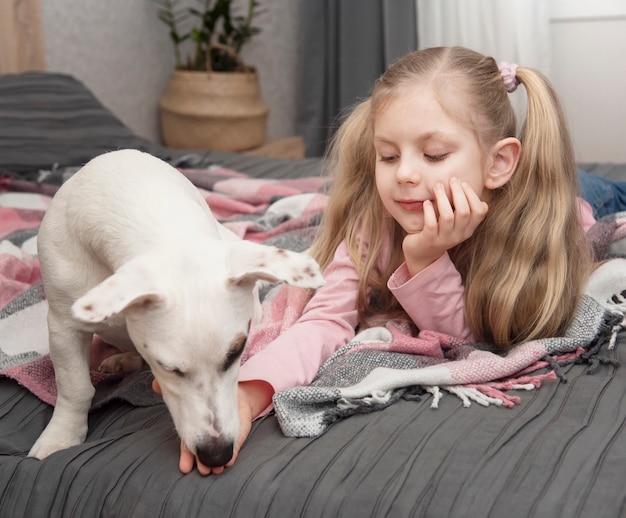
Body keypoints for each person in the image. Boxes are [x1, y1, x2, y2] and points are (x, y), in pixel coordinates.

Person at [163, 46, 599, 475]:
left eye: (433, 155)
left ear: (499, 162)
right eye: (388, 156)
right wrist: (246, 393)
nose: (405, 174)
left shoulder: (542, 226)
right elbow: (323, 322)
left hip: (586, 197)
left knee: (604, 191)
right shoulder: (375, 226)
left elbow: (482, 337)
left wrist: (426, 261)